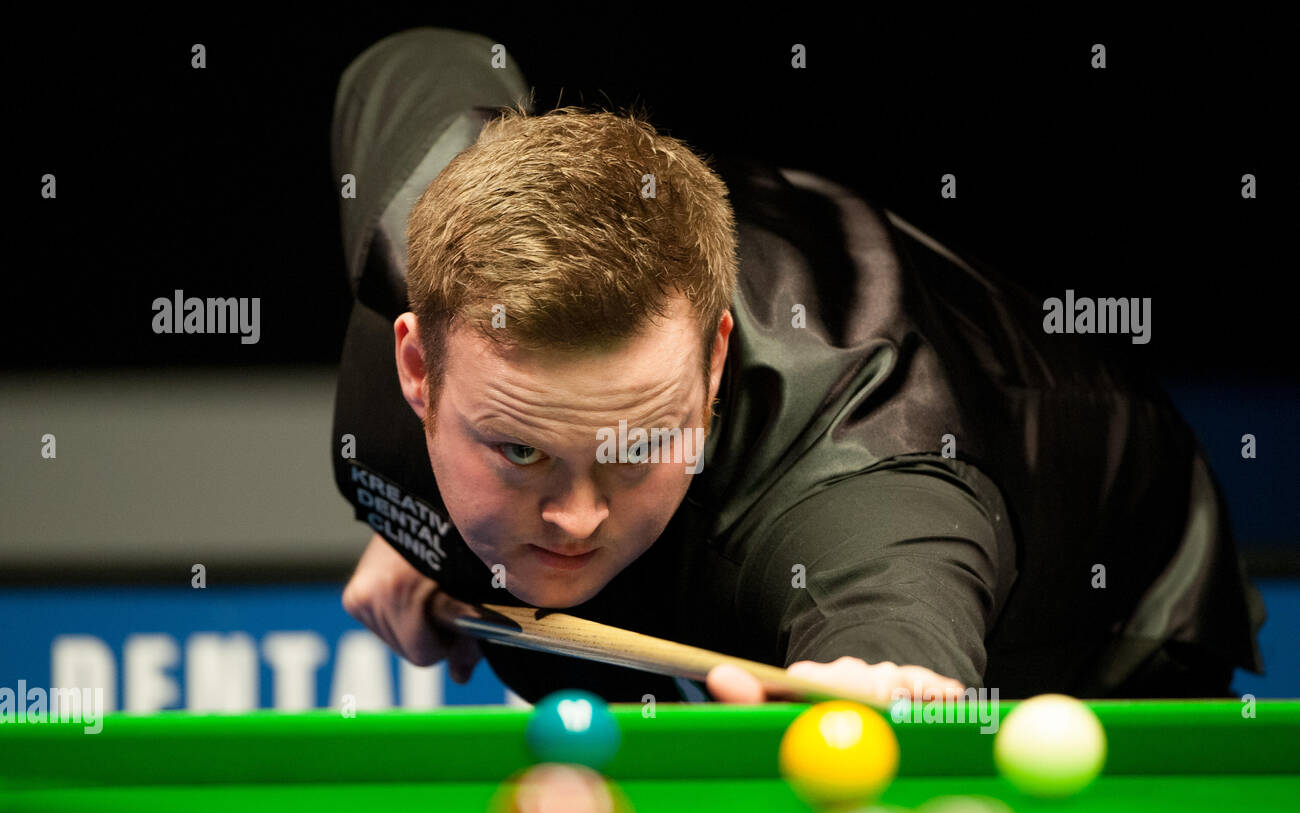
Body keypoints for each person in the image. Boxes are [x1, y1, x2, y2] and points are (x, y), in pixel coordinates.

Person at [331, 27, 1266, 705]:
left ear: (712, 364)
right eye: (521, 451)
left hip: (1105, 592)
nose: (576, 517)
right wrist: (435, 520)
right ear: (419, 367)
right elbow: (414, 56)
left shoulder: (864, 468)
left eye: (636, 445)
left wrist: (885, 676)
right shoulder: (420, 212)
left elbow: (894, 620)